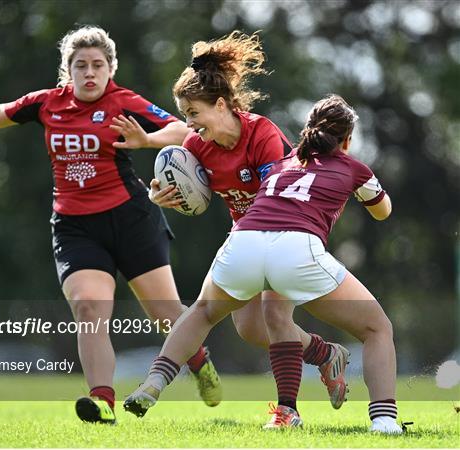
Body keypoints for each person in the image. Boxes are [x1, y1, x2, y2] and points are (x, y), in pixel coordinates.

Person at [0, 25, 222, 424]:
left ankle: (198, 359)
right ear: (68, 70)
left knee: (167, 313)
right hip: (75, 226)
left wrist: (146, 141)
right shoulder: (48, 103)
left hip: (132, 220)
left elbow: (179, 128)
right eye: (80, 65)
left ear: (109, 70)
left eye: (97, 65)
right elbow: (0, 114)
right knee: (89, 309)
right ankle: (103, 401)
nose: (89, 72)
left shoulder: (123, 102)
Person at [125, 94, 403, 434]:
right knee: (377, 328)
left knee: (203, 312)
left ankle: (155, 381)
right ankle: (385, 421)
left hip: (243, 241)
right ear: (346, 140)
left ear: (307, 131)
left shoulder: (284, 163)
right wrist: (360, 185)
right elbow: (382, 211)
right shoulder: (352, 166)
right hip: (295, 249)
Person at [145, 31, 350, 410]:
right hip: (247, 239)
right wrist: (164, 197)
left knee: (274, 316)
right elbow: (191, 192)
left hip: (289, 231)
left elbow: (276, 199)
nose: (189, 124)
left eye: (193, 113)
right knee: (251, 329)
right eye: (185, 116)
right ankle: (325, 354)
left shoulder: (262, 133)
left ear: (221, 105)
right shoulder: (195, 146)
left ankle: (286, 412)